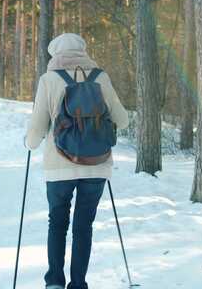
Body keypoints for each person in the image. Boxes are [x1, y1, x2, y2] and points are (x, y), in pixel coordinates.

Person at [25, 33, 129, 289]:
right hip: (96, 164)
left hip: (59, 167)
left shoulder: (49, 80)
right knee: (84, 225)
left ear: (55, 54)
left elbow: (37, 128)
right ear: (83, 51)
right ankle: (79, 283)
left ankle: (54, 283)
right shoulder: (100, 78)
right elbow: (123, 120)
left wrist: (30, 143)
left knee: (57, 223)